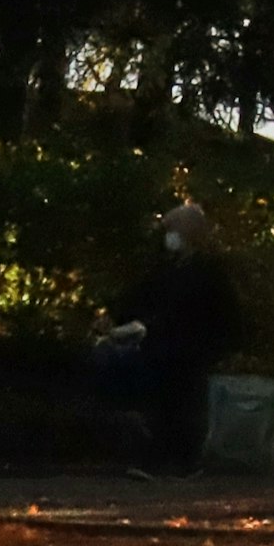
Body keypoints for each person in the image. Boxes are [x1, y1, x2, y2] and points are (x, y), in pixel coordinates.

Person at [100, 202, 242, 474]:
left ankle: (180, 461)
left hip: (189, 349)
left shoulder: (206, 272)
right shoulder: (171, 269)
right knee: (164, 401)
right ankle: (165, 458)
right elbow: (141, 297)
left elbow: (208, 316)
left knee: (181, 403)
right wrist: (117, 317)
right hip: (165, 346)